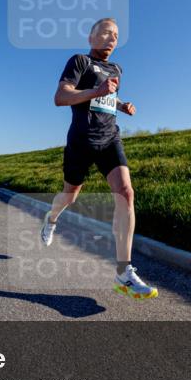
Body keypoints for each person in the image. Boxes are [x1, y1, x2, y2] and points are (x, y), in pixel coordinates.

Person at [40, 17, 158, 300]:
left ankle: (123, 272)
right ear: (92, 37)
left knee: (126, 193)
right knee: (70, 197)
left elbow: (106, 95)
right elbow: (61, 96)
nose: (111, 38)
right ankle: (52, 217)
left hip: (109, 139)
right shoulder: (79, 61)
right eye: (106, 33)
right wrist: (97, 91)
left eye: (116, 35)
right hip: (81, 141)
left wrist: (121, 104)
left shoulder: (116, 69)